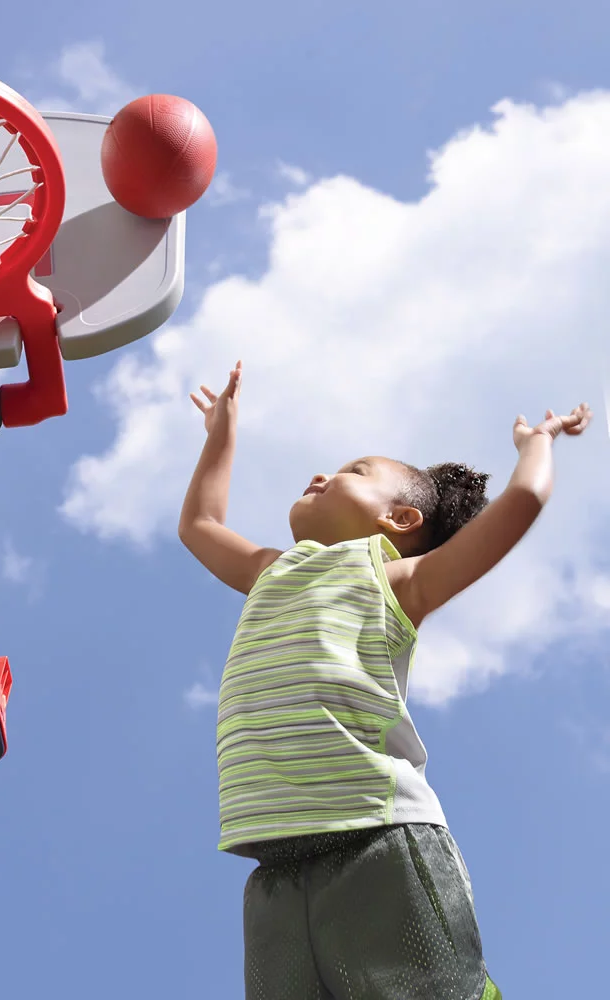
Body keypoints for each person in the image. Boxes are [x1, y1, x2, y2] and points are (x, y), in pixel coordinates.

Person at [179, 360, 591, 1000]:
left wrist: (537, 443)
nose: (323, 473)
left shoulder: (394, 577)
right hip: (273, 861)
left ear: (399, 520)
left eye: (354, 471)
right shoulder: (272, 571)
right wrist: (221, 433)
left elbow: (524, 500)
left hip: (380, 839)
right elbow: (199, 527)